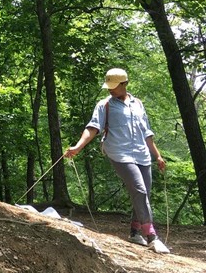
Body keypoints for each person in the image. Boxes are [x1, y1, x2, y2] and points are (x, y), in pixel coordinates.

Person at [64, 68, 170, 254]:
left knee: (145, 192)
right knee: (139, 189)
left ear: (125, 84)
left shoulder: (138, 104)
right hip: (119, 153)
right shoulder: (104, 105)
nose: (110, 90)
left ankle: (134, 232)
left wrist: (158, 155)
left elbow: (147, 132)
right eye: (108, 86)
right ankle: (151, 236)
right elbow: (93, 128)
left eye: (114, 86)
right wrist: (78, 147)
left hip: (142, 154)